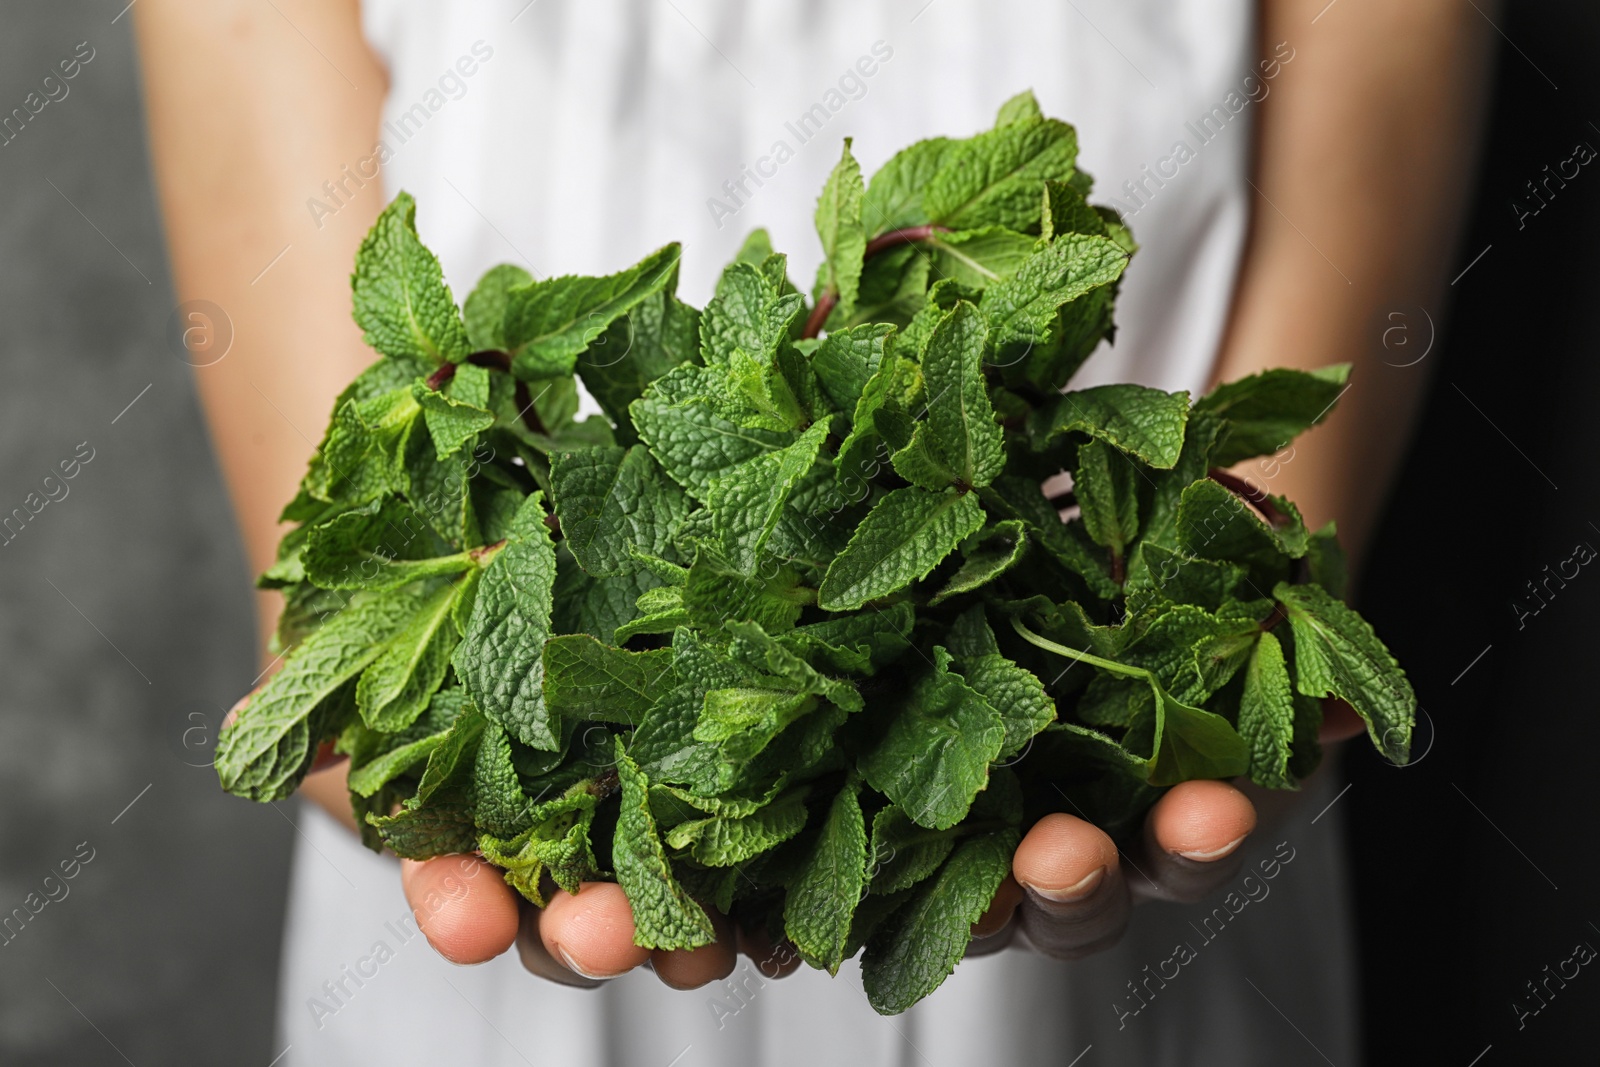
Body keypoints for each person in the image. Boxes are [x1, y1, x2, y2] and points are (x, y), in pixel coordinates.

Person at [134, 1, 1489, 1062]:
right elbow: (330, 579)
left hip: (1113, 880)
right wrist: (383, 718)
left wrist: (1250, 591)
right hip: (492, 984)